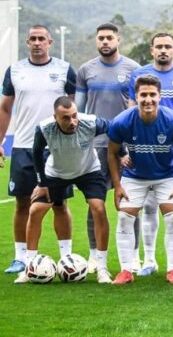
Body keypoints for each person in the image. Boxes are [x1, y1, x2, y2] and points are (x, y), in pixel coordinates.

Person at [0, 25, 75, 275]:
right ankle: (21, 258)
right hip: (22, 145)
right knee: (22, 202)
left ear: (50, 42)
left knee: (60, 203)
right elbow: (5, 109)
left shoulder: (64, 70)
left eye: (41, 38)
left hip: (56, 147)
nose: (37, 43)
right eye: (32, 39)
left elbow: (75, 107)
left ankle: (67, 257)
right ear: (27, 42)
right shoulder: (15, 70)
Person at [15, 97, 112, 284]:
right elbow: (36, 152)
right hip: (56, 173)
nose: (72, 122)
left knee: (98, 209)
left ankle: (102, 267)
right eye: (66, 118)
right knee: (35, 211)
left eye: (74, 116)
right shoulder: (44, 128)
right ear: (55, 117)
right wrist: (41, 183)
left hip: (88, 170)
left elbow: (115, 129)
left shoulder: (91, 122)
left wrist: (122, 152)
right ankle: (29, 267)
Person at [107, 75, 173, 285]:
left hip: (167, 175)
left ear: (160, 96)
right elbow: (112, 153)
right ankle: (126, 271)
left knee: (172, 218)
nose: (148, 99)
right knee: (125, 218)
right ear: (136, 96)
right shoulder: (122, 121)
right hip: (134, 176)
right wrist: (117, 186)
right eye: (143, 95)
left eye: (153, 95)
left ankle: (172, 270)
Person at [129, 32, 173, 276]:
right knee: (149, 208)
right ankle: (149, 260)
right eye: (158, 46)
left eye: (167, 46)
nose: (163, 50)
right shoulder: (139, 76)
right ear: (151, 50)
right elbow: (131, 111)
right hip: (148, 149)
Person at [75, 22, 141, 274]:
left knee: (130, 202)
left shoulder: (133, 68)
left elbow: (136, 108)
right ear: (96, 41)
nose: (105, 42)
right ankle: (93, 255)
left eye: (109, 38)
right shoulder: (85, 70)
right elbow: (79, 112)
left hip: (126, 146)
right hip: (95, 147)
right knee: (96, 203)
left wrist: (127, 147)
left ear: (118, 40)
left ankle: (133, 256)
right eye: (101, 38)